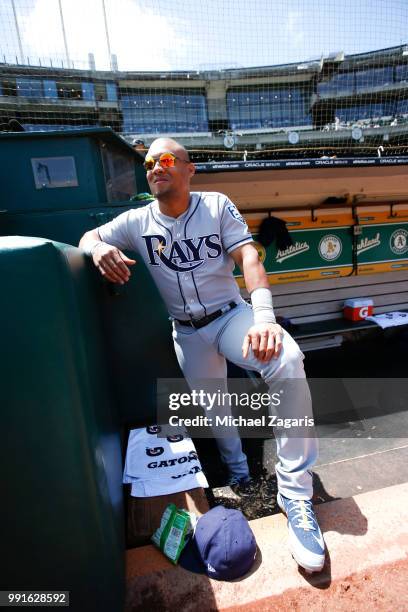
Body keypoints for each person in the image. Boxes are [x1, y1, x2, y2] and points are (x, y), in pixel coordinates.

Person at [79, 137, 325, 573]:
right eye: (150, 162)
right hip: (187, 332)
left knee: (286, 357)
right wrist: (98, 249)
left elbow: (248, 253)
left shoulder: (214, 204)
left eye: (168, 159)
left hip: (230, 317)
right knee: (216, 409)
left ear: (190, 169)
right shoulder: (138, 220)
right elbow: (88, 236)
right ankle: (238, 473)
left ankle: (296, 493)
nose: (156, 166)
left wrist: (265, 318)